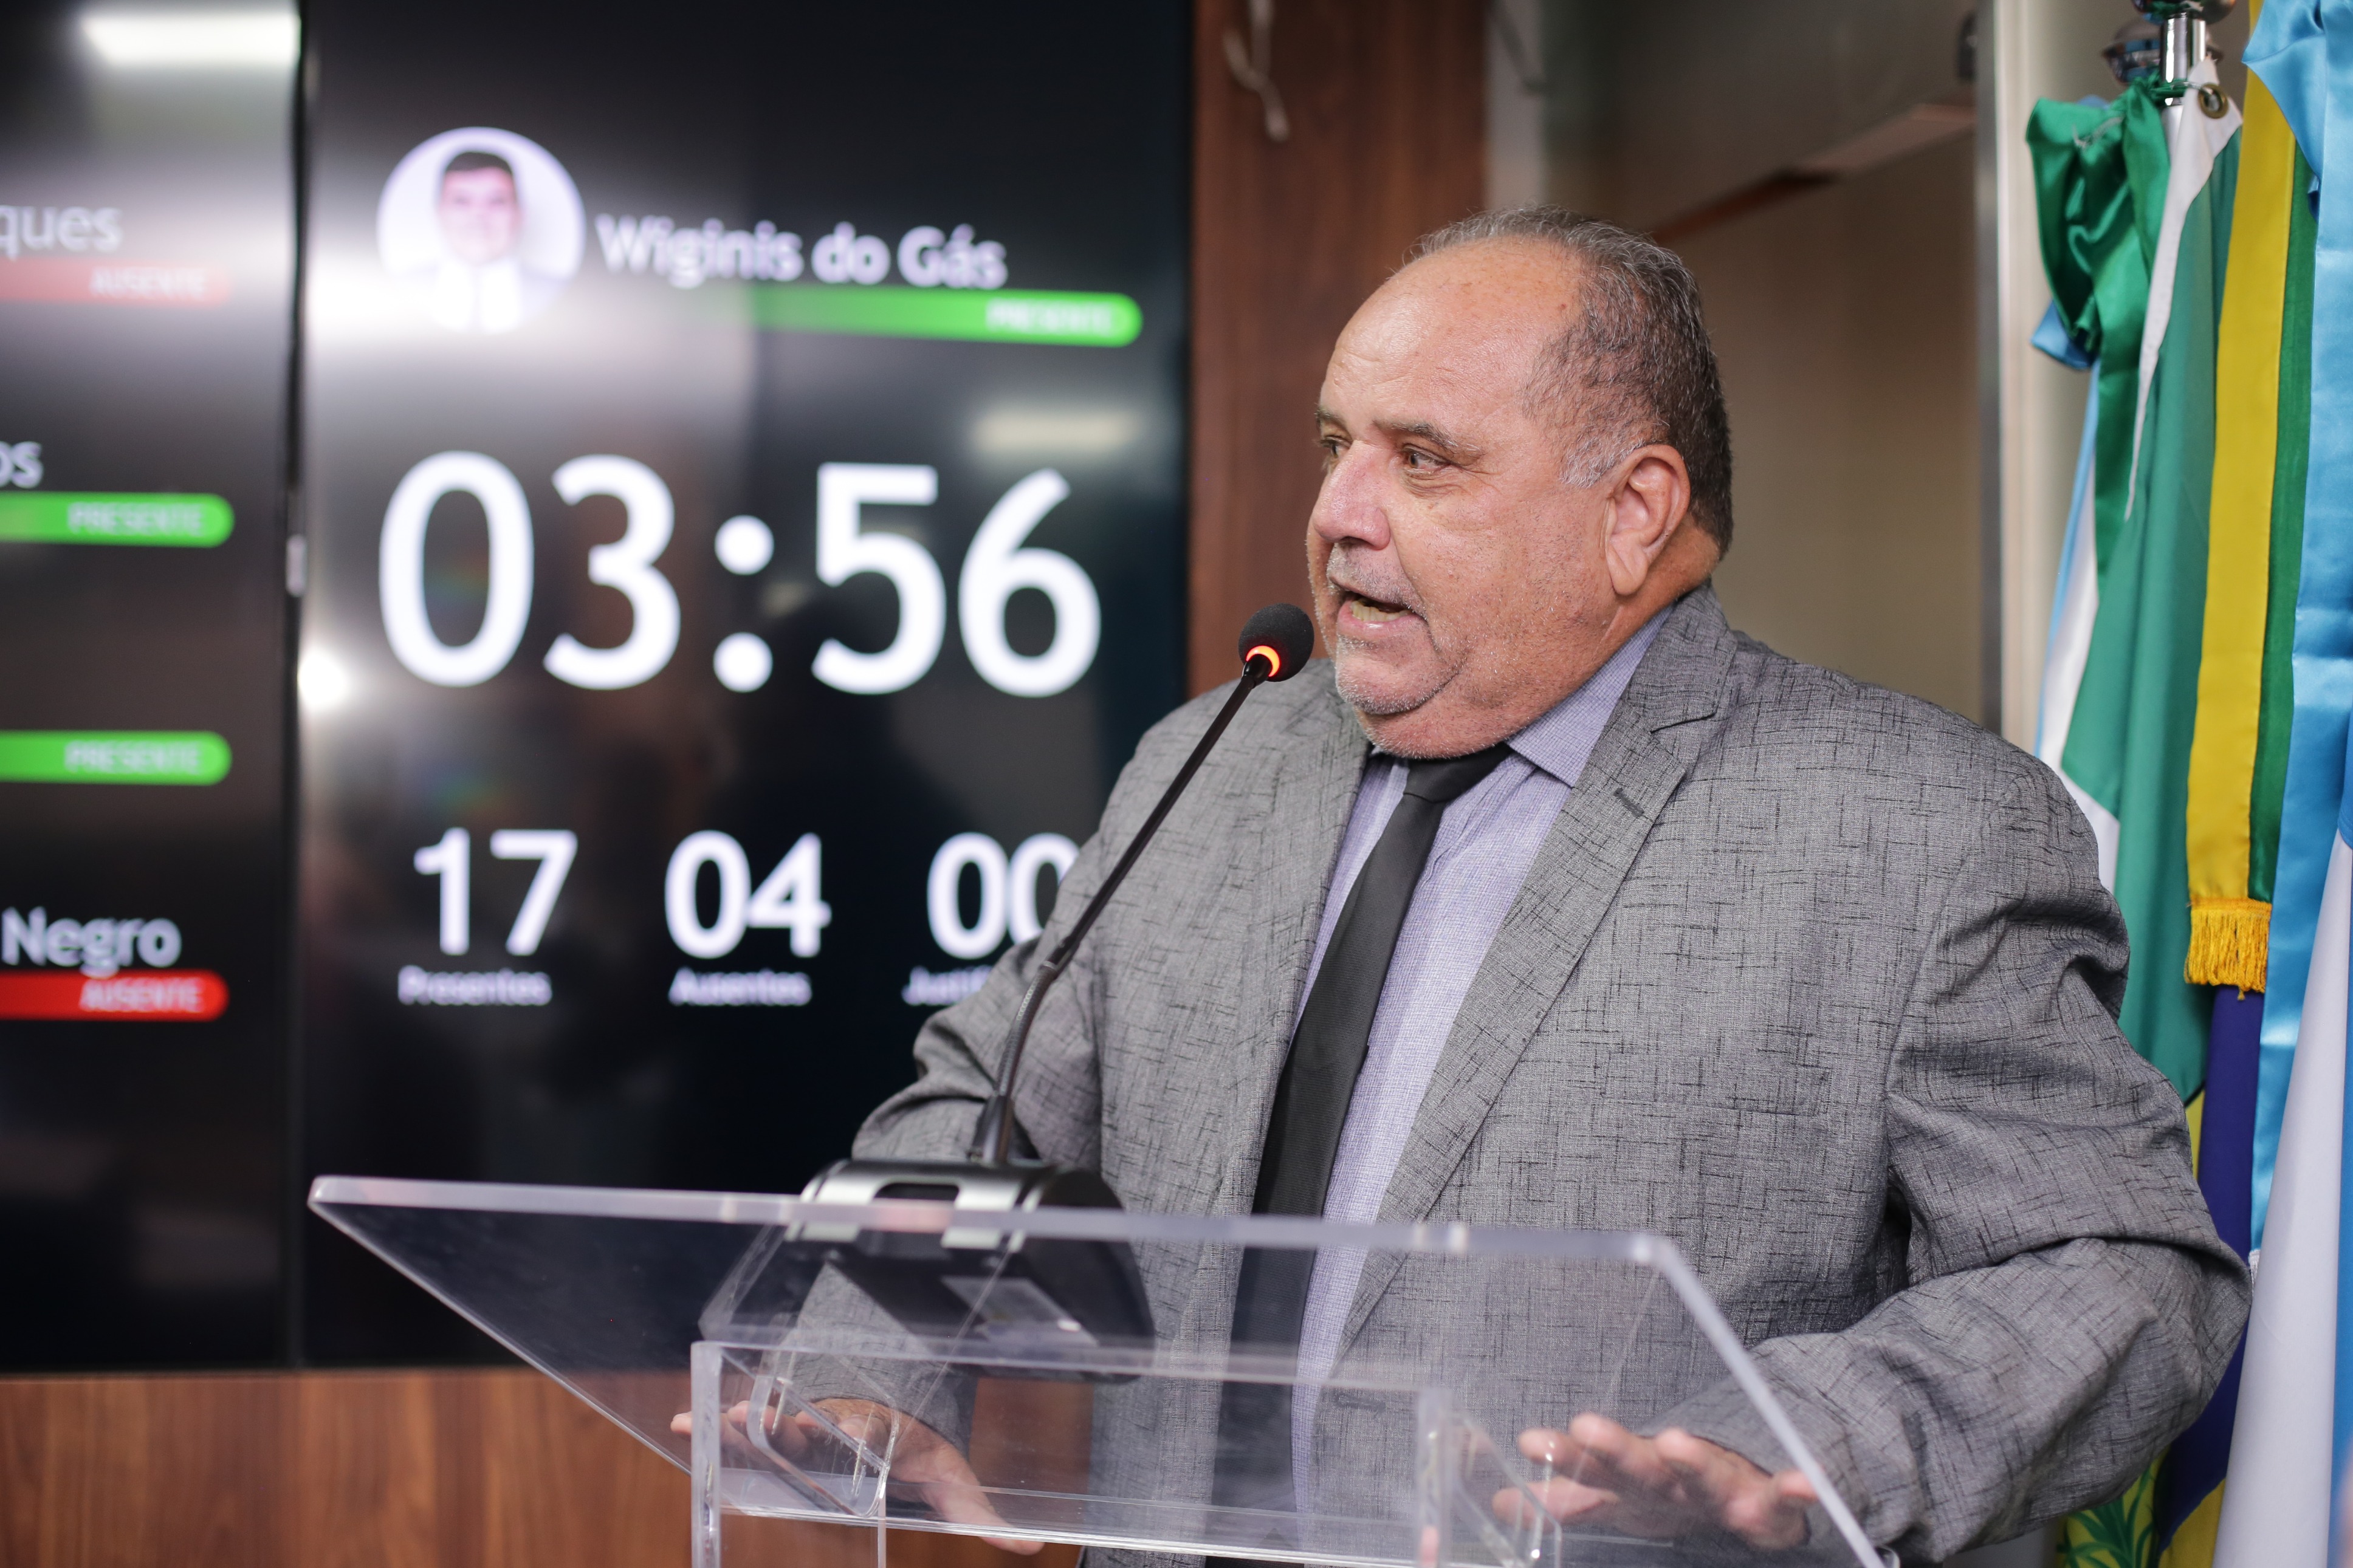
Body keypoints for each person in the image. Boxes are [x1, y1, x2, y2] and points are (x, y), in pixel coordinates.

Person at [828, 207, 2249, 1564]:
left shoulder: (1920, 827)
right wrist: (857, 1366)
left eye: (1423, 460)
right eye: (1334, 446)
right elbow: (986, 1102)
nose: (1335, 513)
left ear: (1634, 511)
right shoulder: (1207, 761)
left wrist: (1803, 1443)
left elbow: (2114, 1266)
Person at [413, 149, 561, 334]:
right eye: (461, 201)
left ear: (520, 214)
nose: (479, 215)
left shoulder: (559, 293)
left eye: (496, 201)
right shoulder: (406, 288)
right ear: (439, 212)